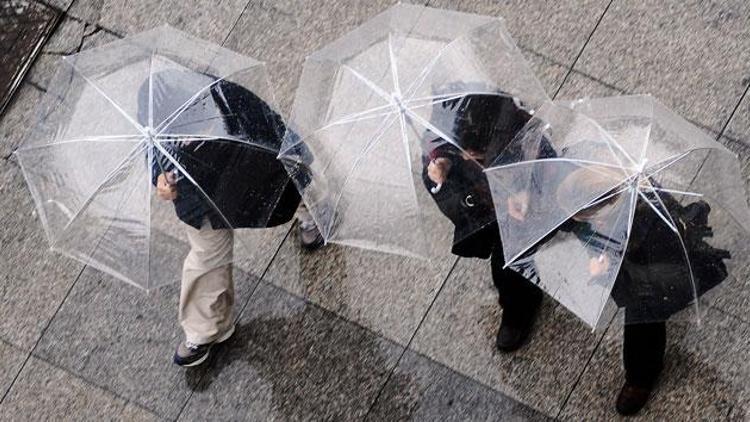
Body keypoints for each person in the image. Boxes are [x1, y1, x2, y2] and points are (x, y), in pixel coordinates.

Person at [143, 70, 302, 366]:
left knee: (290, 190)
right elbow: (150, 148)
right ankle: (205, 330)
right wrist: (159, 178)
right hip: (198, 198)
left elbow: (274, 136)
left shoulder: (227, 99)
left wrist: (297, 158)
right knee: (206, 257)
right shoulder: (155, 100)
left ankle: (314, 213)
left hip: (248, 170)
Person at [551, 168, 729, 415]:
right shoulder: (613, 193)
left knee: (643, 320)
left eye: (583, 218)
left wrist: (604, 271)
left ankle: (641, 378)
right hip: (638, 255)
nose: (579, 222)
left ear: (600, 215)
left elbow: (637, 286)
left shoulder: (649, 227)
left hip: (666, 275)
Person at [422, 86, 552, 352]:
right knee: (505, 264)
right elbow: (447, 189)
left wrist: (522, 191)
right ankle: (517, 306)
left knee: (513, 259)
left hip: (525, 211)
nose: (468, 158)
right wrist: (441, 173)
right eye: (463, 153)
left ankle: (520, 305)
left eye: (474, 155)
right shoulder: (444, 137)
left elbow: (550, 173)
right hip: (490, 216)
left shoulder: (524, 137)